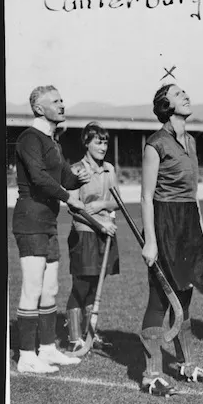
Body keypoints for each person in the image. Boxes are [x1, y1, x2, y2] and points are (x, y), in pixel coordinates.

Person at [139, 84, 203, 396]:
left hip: (188, 222)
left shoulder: (191, 142)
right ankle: (151, 374)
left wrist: (200, 230)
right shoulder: (155, 144)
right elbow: (146, 196)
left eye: (186, 91)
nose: (186, 95)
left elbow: (193, 195)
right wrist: (150, 241)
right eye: (178, 93)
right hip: (165, 221)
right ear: (165, 104)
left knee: (184, 297)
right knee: (161, 298)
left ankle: (188, 366)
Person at [12, 85, 90, 373]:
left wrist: (78, 178)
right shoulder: (29, 138)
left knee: (51, 288)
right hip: (30, 221)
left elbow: (64, 178)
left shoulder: (52, 141)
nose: (62, 104)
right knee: (32, 287)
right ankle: (26, 355)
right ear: (39, 109)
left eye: (61, 100)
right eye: (55, 101)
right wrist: (70, 197)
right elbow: (39, 178)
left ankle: (46, 349)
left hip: (48, 223)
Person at [66, 122, 119, 353]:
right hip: (85, 233)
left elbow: (117, 201)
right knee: (81, 286)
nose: (103, 146)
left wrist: (100, 204)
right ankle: (74, 337)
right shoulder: (76, 169)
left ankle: (90, 334)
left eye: (105, 142)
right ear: (86, 143)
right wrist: (99, 223)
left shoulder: (109, 169)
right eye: (98, 141)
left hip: (106, 232)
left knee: (95, 285)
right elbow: (74, 208)